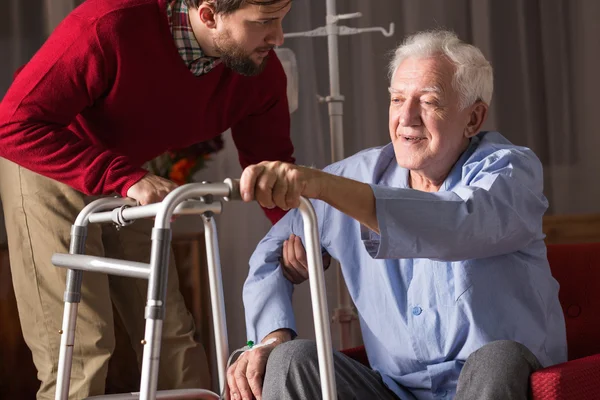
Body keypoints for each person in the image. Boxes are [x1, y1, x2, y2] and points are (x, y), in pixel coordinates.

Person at [228, 30, 568, 400]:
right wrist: (270, 337)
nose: (407, 118)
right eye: (397, 99)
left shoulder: (511, 173)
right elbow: (268, 255)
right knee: (291, 359)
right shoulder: (352, 177)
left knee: (496, 358)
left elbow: (455, 222)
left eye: (429, 101)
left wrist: (321, 186)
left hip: (499, 384)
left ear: (473, 119)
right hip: (393, 391)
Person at [0, 0, 295, 398]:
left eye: (281, 19)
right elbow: (13, 124)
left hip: (126, 169)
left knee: (170, 334)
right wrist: (122, 177)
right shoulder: (108, 26)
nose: (278, 37)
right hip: (50, 154)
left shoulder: (259, 72)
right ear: (208, 14)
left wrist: (299, 235)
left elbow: (271, 172)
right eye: (265, 23)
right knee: (81, 342)